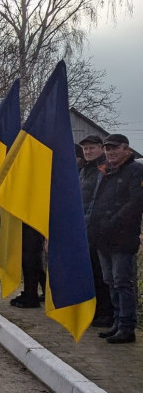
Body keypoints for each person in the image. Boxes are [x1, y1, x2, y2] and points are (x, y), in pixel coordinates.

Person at [87, 133, 143, 345]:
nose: (110, 152)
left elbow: (136, 203)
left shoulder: (136, 171)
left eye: (114, 148)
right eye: (107, 148)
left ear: (126, 150)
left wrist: (113, 221)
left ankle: (127, 327)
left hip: (122, 238)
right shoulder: (105, 172)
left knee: (122, 283)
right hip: (102, 238)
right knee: (110, 281)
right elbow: (96, 202)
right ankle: (117, 322)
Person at [78, 134, 114, 328]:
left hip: (98, 228)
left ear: (101, 148)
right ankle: (96, 310)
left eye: (92, 148)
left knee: (102, 275)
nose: (88, 151)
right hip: (83, 229)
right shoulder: (84, 170)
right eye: (86, 149)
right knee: (90, 273)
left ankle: (107, 313)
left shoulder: (104, 169)